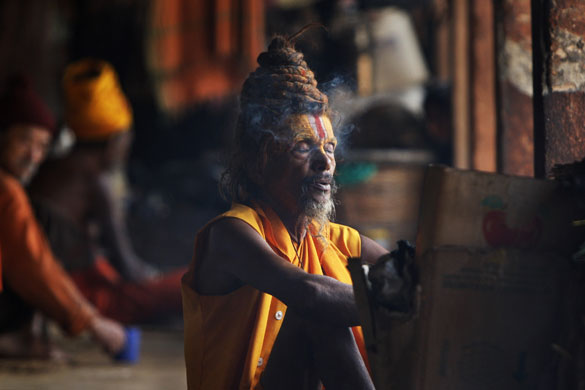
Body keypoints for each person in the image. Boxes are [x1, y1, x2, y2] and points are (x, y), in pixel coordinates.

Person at [182, 33, 410, 389]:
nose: (325, 163)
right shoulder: (230, 234)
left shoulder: (338, 240)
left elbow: (411, 279)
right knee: (316, 314)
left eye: (330, 148)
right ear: (261, 160)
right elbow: (310, 294)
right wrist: (407, 303)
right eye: (304, 146)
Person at [29, 59, 184, 324]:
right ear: (115, 142)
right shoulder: (96, 181)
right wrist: (158, 277)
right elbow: (128, 267)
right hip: (75, 297)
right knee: (187, 284)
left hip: (50, 288)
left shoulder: (50, 166)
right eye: (126, 139)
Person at [0, 75, 125, 359]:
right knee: (47, 221)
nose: (34, 155)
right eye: (24, 141)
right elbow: (33, 263)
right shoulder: (6, 189)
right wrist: (92, 322)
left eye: (42, 146)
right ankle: (21, 336)